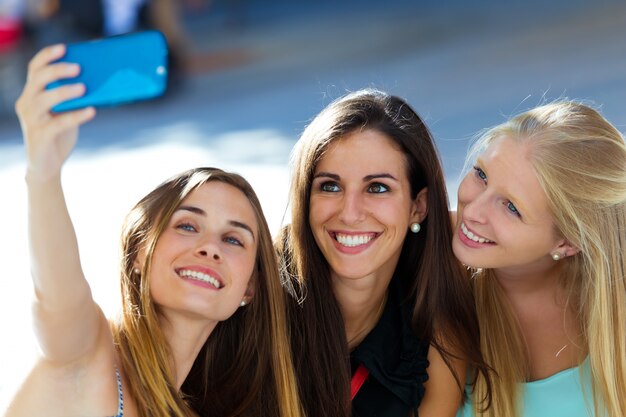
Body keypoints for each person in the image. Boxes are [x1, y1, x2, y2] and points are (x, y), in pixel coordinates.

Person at [7, 44, 302, 417]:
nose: (210, 248)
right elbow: (57, 300)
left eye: (232, 239)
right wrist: (43, 173)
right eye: (187, 225)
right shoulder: (89, 358)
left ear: (250, 287)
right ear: (138, 254)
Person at [278, 89, 491, 417]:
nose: (350, 213)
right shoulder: (257, 296)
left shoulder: (432, 325)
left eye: (377, 188)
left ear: (418, 207)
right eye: (330, 186)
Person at [453, 101, 626, 417]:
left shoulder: (615, 320)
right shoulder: (428, 269)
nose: (472, 210)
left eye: (512, 207)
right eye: (481, 174)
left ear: (569, 241)